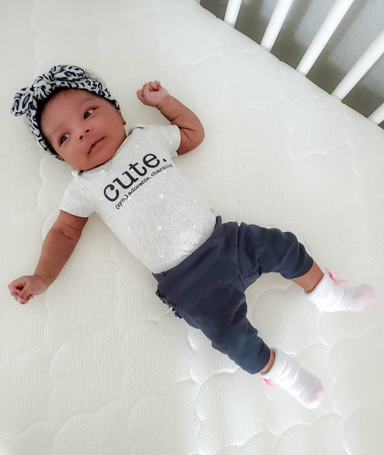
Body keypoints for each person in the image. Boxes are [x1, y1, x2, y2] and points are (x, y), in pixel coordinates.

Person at [8, 65, 375, 409]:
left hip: (225, 239)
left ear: (118, 113)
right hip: (188, 281)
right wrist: (42, 276)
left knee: (283, 245)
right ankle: (283, 372)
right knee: (231, 339)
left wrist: (164, 102)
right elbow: (64, 232)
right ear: (62, 158)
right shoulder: (85, 187)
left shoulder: (145, 138)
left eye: (88, 113)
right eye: (65, 136)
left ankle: (327, 293)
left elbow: (192, 135)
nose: (82, 131)